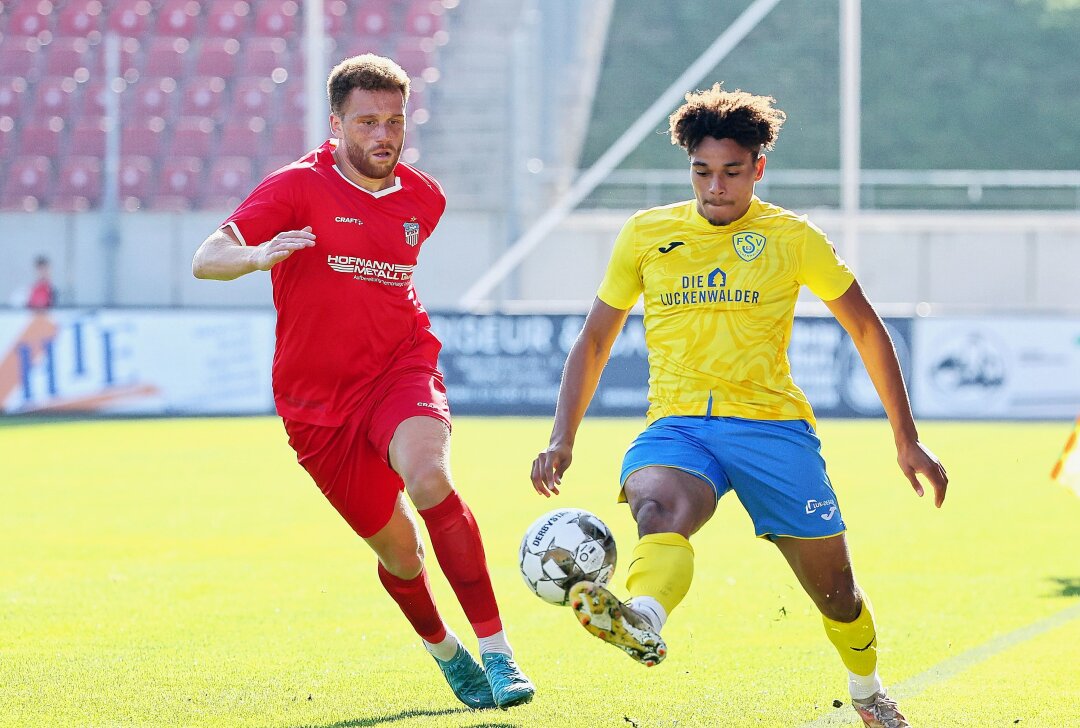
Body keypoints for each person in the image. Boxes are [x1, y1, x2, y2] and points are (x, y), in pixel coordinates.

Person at [530, 84, 947, 728]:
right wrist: (563, 436)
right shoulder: (647, 235)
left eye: (731, 172)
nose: (715, 186)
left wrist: (906, 437)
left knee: (836, 594)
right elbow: (593, 339)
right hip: (679, 426)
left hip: (774, 430)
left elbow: (867, 329)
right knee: (656, 506)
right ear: (688, 168)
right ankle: (644, 617)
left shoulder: (792, 237)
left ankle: (867, 691)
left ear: (758, 168)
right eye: (702, 172)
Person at [192, 54, 534, 711]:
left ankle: (499, 653)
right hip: (315, 405)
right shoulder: (296, 188)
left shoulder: (424, 198)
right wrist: (257, 256)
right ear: (336, 124)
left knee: (429, 476)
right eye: (368, 121)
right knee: (401, 554)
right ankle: (446, 650)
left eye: (395, 121)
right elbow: (208, 256)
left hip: (400, 368)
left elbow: (385, 278)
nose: (384, 135)